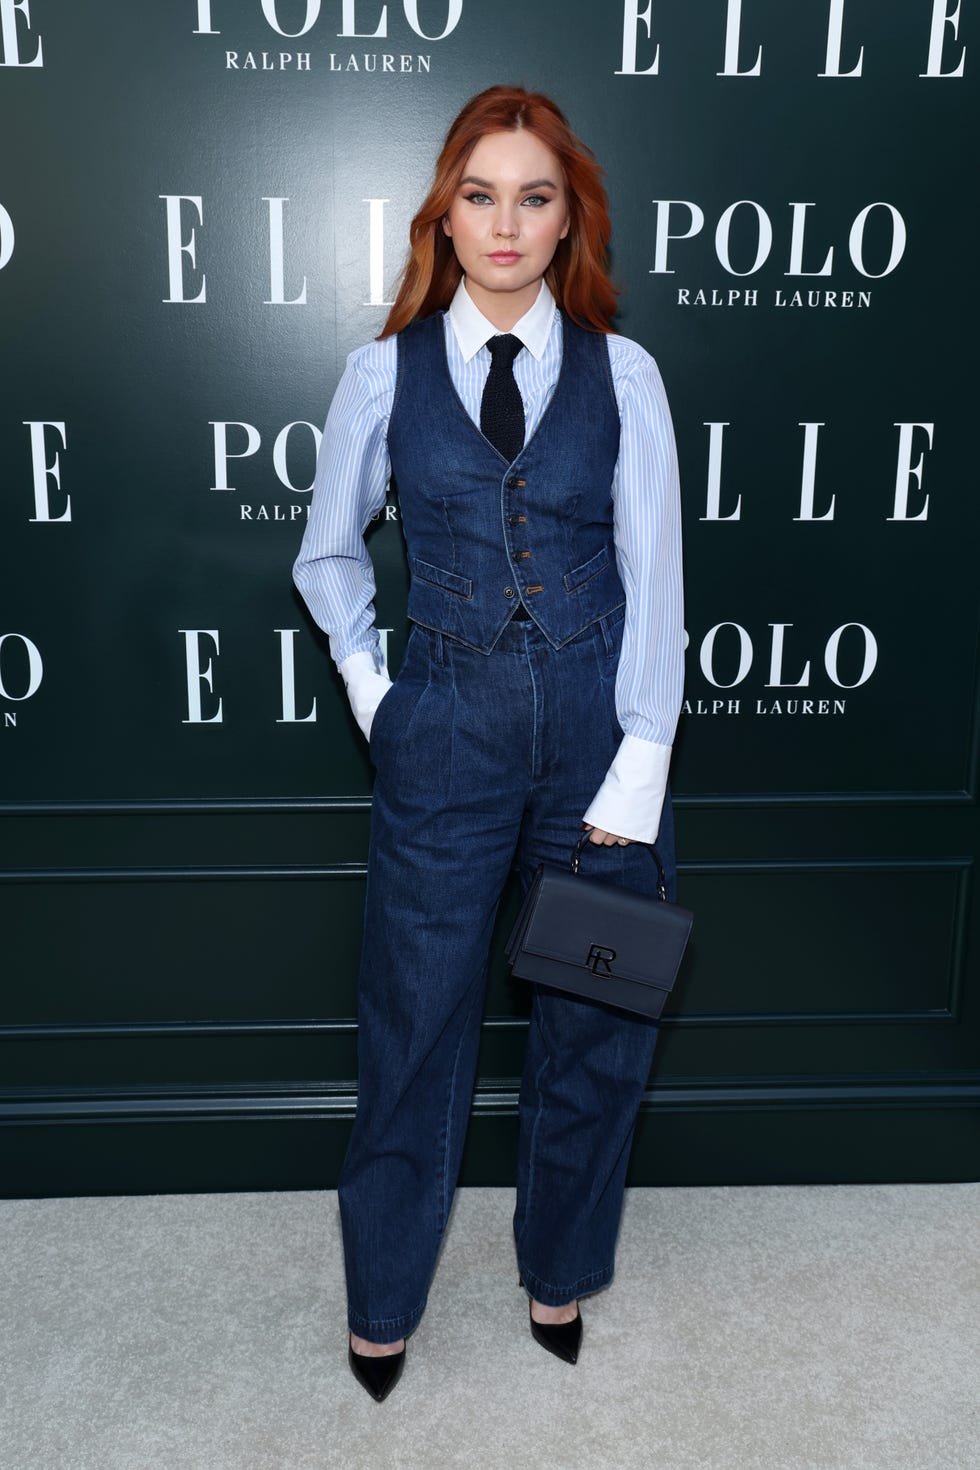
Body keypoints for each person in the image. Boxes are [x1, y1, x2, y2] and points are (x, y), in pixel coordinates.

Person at [293, 85, 684, 1402]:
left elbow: (656, 579)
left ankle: (560, 1266)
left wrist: (637, 767)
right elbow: (330, 551)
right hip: (443, 742)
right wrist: (378, 696)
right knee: (413, 1024)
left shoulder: (623, 374)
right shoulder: (380, 372)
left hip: (597, 749)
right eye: (481, 194)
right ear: (443, 218)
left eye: (536, 195)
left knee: (595, 1022)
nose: (506, 222)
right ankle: (385, 1294)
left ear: (569, 218)